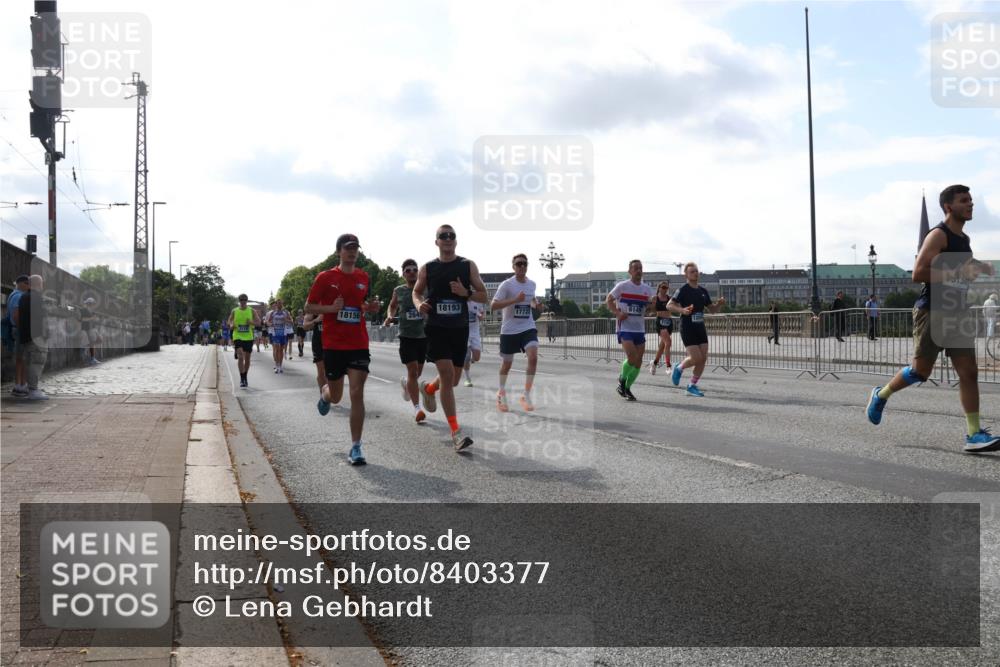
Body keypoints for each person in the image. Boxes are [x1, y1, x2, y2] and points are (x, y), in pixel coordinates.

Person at [866, 184, 999, 452]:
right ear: (949, 207)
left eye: (971, 200)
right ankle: (881, 395)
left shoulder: (964, 239)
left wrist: (980, 267)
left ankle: (974, 435)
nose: (971, 204)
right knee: (920, 372)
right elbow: (918, 273)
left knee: (969, 373)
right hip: (933, 310)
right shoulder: (938, 235)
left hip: (956, 310)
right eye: (964, 201)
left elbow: (960, 266)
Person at [306, 233, 382, 465]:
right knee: (337, 397)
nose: (352, 252)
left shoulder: (363, 277)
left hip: (358, 342)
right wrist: (330, 308)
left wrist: (371, 308)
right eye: (348, 248)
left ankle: (356, 447)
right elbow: (309, 306)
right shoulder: (325, 277)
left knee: (357, 393)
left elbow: (361, 305)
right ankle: (325, 394)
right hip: (334, 344)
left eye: (355, 248)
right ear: (339, 251)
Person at [412, 224, 488, 451]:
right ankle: (456, 431)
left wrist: (465, 293)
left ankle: (428, 389)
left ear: (456, 241)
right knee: (446, 375)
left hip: (459, 328)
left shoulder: (467, 266)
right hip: (436, 327)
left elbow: (484, 296)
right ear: (436, 242)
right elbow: (416, 291)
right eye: (442, 236)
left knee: (453, 379)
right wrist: (418, 304)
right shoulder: (427, 268)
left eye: (451, 236)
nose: (447, 239)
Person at [491, 253, 542, 411]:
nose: (522, 266)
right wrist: (514, 300)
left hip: (527, 327)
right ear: (513, 267)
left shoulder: (531, 284)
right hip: (509, 330)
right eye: (519, 264)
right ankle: (501, 392)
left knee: (533, 358)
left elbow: (531, 300)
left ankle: (526, 395)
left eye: (524, 264)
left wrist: (536, 305)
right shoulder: (506, 285)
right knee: (507, 364)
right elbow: (493, 305)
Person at [669, 262, 727, 397]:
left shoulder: (703, 291)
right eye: (692, 271)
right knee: (696, 358)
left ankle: (691, 386)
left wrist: (718, 304)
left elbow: (712, 310)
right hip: (687, 327)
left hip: (700, 327)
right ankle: (679, 368)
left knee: (703, 358)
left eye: (696, 271)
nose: (696, 273)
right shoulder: (683, 289)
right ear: (686, 274)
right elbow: (669, 305)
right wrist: (682, 310)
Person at [384, 258, 428, 423]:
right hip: (406, 335)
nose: (411, 273)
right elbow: (392, 305)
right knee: (412, 371)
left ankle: (407, 385)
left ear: (418, 272)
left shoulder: (425, 289)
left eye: (414, 270)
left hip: (423, 335)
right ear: (403, 274)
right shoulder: (399, 290)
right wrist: (390, 316)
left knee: (418, 372)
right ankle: (417, 409)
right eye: (408, 270)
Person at [607, 259, 655, 401]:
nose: (639, 271)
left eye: (640, 268)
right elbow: (608, 300)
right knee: (632, 357)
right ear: (630, 272)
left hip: (639, 328)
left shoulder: (647, 289)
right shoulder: (622, 286)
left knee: (639, 361)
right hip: (625, 327)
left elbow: (648, 308)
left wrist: (652, 306)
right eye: (636, 268)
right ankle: (621, 380)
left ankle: (627, 388)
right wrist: (618, 313)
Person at [17, 275, 49, 400]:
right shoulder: (37, 298)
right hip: (37, 337)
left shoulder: (23, 297)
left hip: (26, 336)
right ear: (38, 284)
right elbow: (42, 319)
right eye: (41, 284)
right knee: (37, 362)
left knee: (29, 362)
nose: (42, 286)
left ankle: (29, 387)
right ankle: (33, 390)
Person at [228, 294, 261, 388]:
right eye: (241, 300)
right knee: (241, 356)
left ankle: (245, 376)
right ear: (239, 301)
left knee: (247, 358)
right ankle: (242, 378)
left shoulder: (252, 311)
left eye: (245, 300)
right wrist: (231, 325)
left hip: (248, 337)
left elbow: (259, 323)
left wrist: (251, 323)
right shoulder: (234, 311)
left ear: (247, 301)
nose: (243, 301)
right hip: (237, 336)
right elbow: (229, 320)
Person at [6, 275, 30, 397]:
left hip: (17, 330)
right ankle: (20, 385)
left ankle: (20, 384)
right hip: (20, 330)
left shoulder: (12, 295)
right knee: (23, 358)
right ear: (20, 283)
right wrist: (24, 328)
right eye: (26, 283)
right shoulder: (18, 296)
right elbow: (16, 316)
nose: (28, 285)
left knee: (21, 358)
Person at [302, 311, 327, 406]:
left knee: (330, 371)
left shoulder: (336, 302)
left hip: (334, 342)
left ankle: (329, 391)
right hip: (319, 343)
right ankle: (323, 396)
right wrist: (316, 320)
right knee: (321, 372)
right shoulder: (315, 306)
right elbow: (305, 326)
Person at [649, 281, 673, 374]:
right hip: (660, 322)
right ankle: (668, 366)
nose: (665, 289)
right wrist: (650, 310)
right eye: (663, 287)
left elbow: (676, 306)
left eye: (666, 288)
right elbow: (651, 309)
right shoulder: (655, 298)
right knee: (668, 342)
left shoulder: (669, 298)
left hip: (669, 322)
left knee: (662, 346)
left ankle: (654, 363)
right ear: (659, 288)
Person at [463, 300, 484, 387]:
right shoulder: (462, 302)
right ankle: (467, 379)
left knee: (477, 358)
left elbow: (482, 316)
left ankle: (468, 360)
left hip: (475, 333)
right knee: (467, 357)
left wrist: (479, 315)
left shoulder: (478, 302)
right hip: (464, 332)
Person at [267, 299, 291, 373]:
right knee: (277, 349)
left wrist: (286, 320)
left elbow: (292, 322)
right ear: (276, 305)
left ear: (282, 304)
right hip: (275, 333)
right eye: (278, 303)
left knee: (281, 350)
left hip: (283, 333)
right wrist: (270, 324)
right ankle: (277, 366)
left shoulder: (286, 313)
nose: (280, 305)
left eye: (281, 303)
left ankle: (280, 366)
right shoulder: (273, 313)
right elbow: (268, 321)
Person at [79, 297, 101, 364]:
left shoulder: (92, 311)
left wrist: (96, 319)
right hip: (84, 329)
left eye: (93, 304)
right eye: (91, 304)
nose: (92, 305)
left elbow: (95, 319)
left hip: (91, 329)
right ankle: (85, 359)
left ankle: (92, 358)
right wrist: (92, 318)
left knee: (98, 340)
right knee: (84, 344)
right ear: (88, 304)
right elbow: (82, 319)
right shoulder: (83, 310)